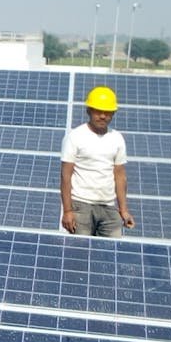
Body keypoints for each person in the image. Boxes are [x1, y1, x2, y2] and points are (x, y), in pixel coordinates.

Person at [60, 86, 135, 237]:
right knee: (80, 254)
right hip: (81, 206)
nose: (103, 116)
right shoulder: (75, 136)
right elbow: (65, 176)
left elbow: (120, 176)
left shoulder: (117, 138)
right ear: (89, 111)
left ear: (113, 114)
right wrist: (68, 211)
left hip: (108, 207)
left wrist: (123, 210)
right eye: (98, 111)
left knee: (110, 254)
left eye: (107, 112)